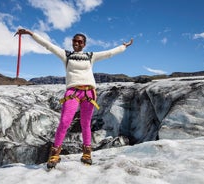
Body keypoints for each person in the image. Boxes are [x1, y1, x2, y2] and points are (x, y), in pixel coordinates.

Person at [16, 28, 133, 169]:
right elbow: (48, 45)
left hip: (89, 93)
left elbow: (109, 53)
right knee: (65, 122)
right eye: (74, 41)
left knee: (85, 123)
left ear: (84, 44)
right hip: (72, 92)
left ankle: (87, 153)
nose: (76, 43)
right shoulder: (66, 55)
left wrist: (123, 47)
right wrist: (30, 33)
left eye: (79, 41)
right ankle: (54, 154)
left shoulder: (91, 56)